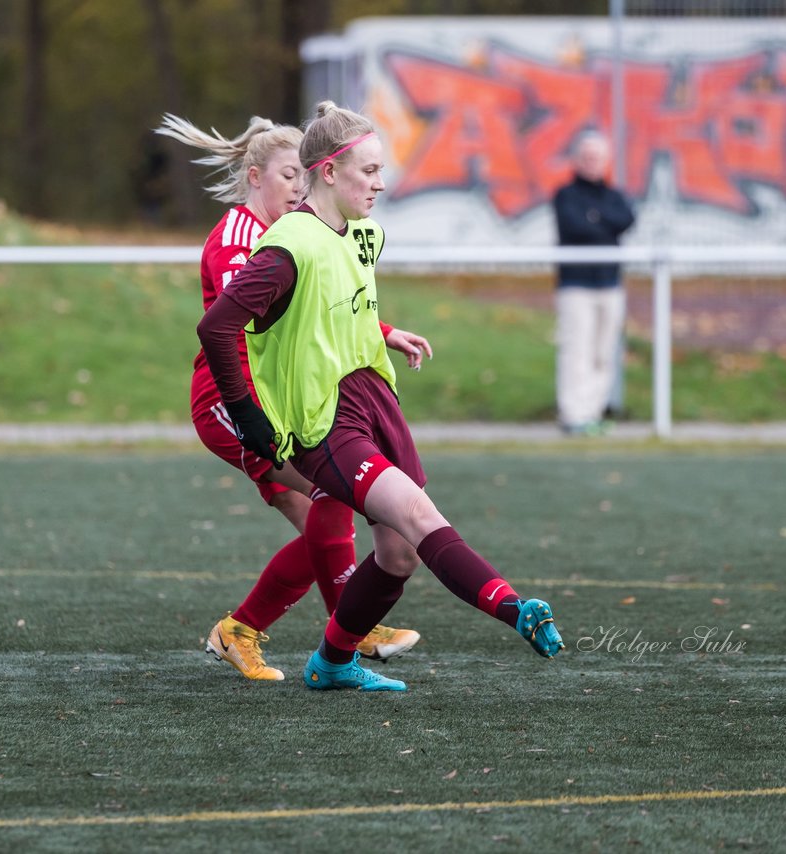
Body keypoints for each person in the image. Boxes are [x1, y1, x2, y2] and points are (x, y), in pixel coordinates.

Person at [197, 101, 565, 692]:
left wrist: (385, 334)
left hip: (374, 404)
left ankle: (334, 657)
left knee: (398, 554)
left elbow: (336, 308)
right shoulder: (287, 242)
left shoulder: (362, 233)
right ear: (329, 171)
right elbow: (219, 327)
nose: (381, 182)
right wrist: (248, 414)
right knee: (405, 516)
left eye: (380, 169)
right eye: (368, 170)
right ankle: (515, 608)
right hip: (318, 414)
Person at [155, 113, 429, 680]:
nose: (300, 191)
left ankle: (282, 631)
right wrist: (248, 412)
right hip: (233, 402)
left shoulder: (302, 231)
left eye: (303, 180)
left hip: (286, 397)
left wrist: (381, 332)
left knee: (330, 508)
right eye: (289, 178)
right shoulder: (237, 239)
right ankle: (336, 635)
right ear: (256, 177)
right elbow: (251, 325)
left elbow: (314, 310)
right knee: (341, 497)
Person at [552, 130, 635, 435]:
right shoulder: (566, 195)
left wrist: (595, 219)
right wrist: (601, 223)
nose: (591, 162)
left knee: (603, 351)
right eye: (586, 156)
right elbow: (576, 227)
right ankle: (574, 415)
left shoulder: (614, 196)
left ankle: (593, 411)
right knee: (577, 350)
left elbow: (625, 220)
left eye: (597, 157)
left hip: (609, 284)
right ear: (577, 159)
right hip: (576, 286)